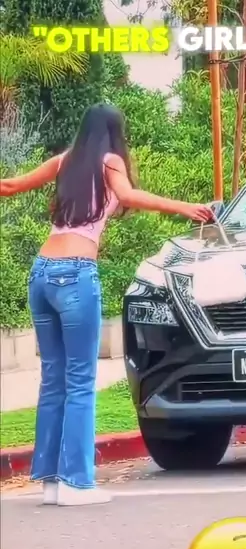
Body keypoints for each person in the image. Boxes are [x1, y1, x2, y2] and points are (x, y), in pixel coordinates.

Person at [0, 103, 212, 507]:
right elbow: (129, 195)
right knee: (80, 381)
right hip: (76, 274)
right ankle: (77, 484)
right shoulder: (110, 161)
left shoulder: (64, 161)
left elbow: (8, 187)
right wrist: (184, 207)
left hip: (41, 273)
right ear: (115, 133)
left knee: (54, 380)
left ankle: (51, 483)